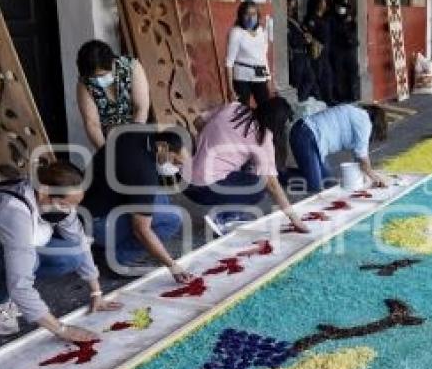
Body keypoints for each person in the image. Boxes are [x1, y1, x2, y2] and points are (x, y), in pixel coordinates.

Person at [0, 162, 119, 339]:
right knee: (30, 262)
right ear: (45, 192)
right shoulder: (14, 212)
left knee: (71, 256)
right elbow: (20, 282)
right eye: (64, 205)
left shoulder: (57, 201)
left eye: (75, 205)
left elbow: (79, 242)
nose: (70, 211)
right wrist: (61, 329)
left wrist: (97, 293)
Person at [83, 128, 195, 281]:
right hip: (96, 224)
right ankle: (116, 259)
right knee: (173, 219)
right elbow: (141, 230)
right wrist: (172, 266)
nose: (176, 168)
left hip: (90, 201)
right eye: (175, 162)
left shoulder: (139, 134)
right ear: (162, 147)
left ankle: (112, 246)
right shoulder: (143, 175)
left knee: (161, 199)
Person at [183, 99, 310, 233]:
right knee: (259, 186)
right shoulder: (262, 138)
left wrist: (211, 143)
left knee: (248, 168)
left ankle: (226, 206)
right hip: (202, 189)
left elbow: (198, 121)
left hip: (184, 178)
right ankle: (224, 218)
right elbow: (272, 185)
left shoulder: (234, 107)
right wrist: (295, 220)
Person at [286, 104, 388, 193]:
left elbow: (359, 158)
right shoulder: (365, 123)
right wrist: (375, 177)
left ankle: (285, 174)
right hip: (306, 135)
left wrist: (366, 175)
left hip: (311, 136)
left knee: (329, 183)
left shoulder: (359, 115)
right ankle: (276, 176)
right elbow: (362, 157)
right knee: (315, 185)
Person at [77, 40, 150, 150]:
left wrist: (133, 141)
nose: (97, 80)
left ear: (112, 63)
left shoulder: (131, 67)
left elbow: (141, 108)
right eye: (93, 77)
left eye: (102, 75)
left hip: (138, 132)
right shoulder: (85, 83)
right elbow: (91, 123)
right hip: (109, 141)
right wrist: (106, 152)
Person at [226, 0, 271, 110]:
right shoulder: (236, 32)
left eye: (254, 14)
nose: (251, 18)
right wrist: (230, 89)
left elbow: (263, 56)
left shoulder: (261, 31)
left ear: (257, 15)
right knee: (242, 112)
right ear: (241, 15)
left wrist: (268, 77)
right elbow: (229, 62)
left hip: (260, 76)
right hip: (242, 77)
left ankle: (260, 128)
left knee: (265, 109)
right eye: (247, 14)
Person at [304, 0, 335, 104]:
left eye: (324, 3)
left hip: (326, 53)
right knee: (317, 76)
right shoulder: (311, 19)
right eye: (321, 3)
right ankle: (318, 99)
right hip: (317, 52)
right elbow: (308, 35)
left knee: (328, 76)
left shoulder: (325, 18)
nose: (323, 5)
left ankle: (329, 99)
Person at [287, 0, 319, 102]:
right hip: (295, 55)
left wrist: (308, 36)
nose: (292, 8)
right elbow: (290, 40)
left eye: (294, 6)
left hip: (304, 55)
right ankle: (295, 105)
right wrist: (304, 40)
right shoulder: (284, 22)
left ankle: (301, 101)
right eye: (290, 5)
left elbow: (304, 31)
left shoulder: (295, 21)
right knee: (296, 82)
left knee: (310, 78)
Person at [329, 0, 361, 102]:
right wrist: (345, 23)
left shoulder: (348, 18)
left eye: (345, 7)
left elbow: (353, 32)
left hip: (349, 50)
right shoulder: (331, 18)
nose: (344, 9)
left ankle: (353, 94)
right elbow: (335, 33)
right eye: (341, 6)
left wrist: (353, 22)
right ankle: (339, 96)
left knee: (353, 72)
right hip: (338, 50)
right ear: (336, 6)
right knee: (338, 74)